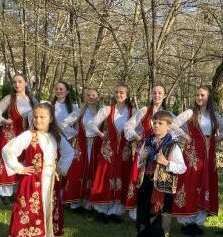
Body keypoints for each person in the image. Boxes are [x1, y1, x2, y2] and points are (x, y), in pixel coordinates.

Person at [2, 102, 74, 237]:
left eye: (42, 117)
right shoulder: (29, 135)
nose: (38, 120)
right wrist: (19, 167)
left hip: (50, 184)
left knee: (45, 213)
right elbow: (8, 150)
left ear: (50, 119)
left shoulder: (56, 136)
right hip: (33, 183)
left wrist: (61, 168)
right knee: (32, 212)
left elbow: (69, 151)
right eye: (35, 116)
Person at [134, 111, 187, 237]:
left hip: (162, 191)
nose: (156, 126)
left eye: (160, 123)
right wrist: (141, 158)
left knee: (158, 227)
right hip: (146, 185)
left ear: (168, 126)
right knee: (142, 224)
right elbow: (139, 162)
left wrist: (166, 163)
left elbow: (182, 168)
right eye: (154, 122)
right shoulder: (147, 142)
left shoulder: (173, 145)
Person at [170, 85, 223, 236]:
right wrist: (185, 135)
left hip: (209, 157)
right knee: (190, 184)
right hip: (193, 156)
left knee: (205, 184)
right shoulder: (190, 112)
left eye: (202, 95)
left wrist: (219, 137)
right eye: (197, 95)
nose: (199, 98)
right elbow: (173, 124)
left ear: (209, 97)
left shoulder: (214, 114)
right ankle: (186, 222)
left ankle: (197, 220)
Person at [87, 84, 134, 223]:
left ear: (127, 95)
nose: (119, 95)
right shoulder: (107, 109)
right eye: (117, 92)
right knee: (105, 177)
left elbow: (139, 127)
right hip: (108, 150)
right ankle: (101, 211)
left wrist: (135, 137)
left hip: (124, 151)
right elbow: (91, 124)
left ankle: (115, 211)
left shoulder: (133, 111)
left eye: (122, 92)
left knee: (121, 177)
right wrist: (101, 135)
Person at [0, 73, 35, 205]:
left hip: (24, 135)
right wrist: (4, 120)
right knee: (6, 161)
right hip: (9, 134)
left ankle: (17, 191)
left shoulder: (33, 101)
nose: (17, 84)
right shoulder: (9, 99)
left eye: (20, 81)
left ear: (26, 83)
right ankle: (4, 194)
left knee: (22, 161)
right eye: (14, 82)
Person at [124, 84, 169, 221]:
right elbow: (128, 125)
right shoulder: (144, 110)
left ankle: (154, 210)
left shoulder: (167, 114)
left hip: (159, 153)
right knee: (140, 179)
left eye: (160, 93)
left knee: (155, 180)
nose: (157, 95)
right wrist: (137, 137)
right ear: (151, 95)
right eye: (154, 93)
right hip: (143, 151)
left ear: (164, 95)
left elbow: (174, 129)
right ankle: (138, 212)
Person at [61, 88, 101, 211]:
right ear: (85, 98)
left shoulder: (102, 112)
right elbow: (64, 124)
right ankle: (75, 202)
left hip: (97, 146)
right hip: (82, 146)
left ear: (98, 97)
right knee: (78, 170)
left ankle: (90, 203)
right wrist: (75, 134)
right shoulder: (79, 112)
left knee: (93, 171)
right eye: (88, 95)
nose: (91, 97)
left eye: (93, 95)